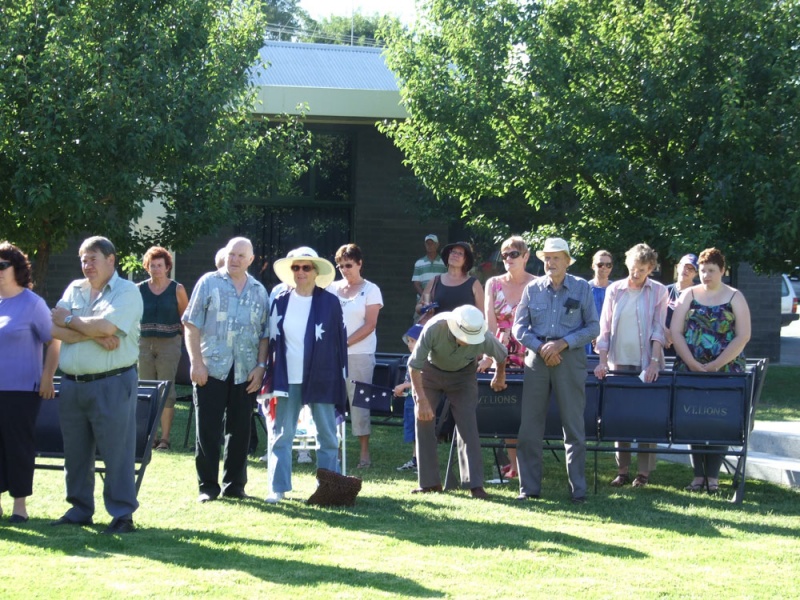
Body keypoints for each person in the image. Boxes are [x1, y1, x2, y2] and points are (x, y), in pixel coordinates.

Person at [50, 236, 143, 534]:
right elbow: (53, 327)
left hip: (112, 382)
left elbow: (106, 326)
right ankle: (79, 509)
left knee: (117, 450)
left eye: (92, 259)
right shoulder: (74, 289)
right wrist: (95, 333)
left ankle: (121, 515)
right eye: (83, 259)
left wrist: (73, 321)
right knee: (75, 452)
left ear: (111, 260)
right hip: (73, 383)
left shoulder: (127, 291)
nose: (86, 265)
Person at [512, 237, 599, 504]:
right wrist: (541, 348)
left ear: (567, 261)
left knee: (573, 427)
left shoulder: (582, 288)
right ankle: (529, 488)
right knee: (529, 427)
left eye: (556, 257)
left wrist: (562, 344)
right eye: (547, 258)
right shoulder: (532, 289)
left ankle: (578, 490)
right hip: (537, 361)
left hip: (570, 360)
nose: (550, 262)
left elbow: (593, 328)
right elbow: (519, 327)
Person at [183, 237, 269, 503]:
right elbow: (191, 324)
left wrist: (261, 366)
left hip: (246, 371)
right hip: (211, 369)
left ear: (251, 260)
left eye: (241, 256)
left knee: (241, 430)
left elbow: (265, 334)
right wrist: (196, 362)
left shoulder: (259, 290)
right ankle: (207, 487)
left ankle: (235, 485)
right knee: (207, 430)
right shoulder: (208, 282)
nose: (235, 260)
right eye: (232, 254)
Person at [263, 247, 348, 504]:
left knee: (327, 435)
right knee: (282, 434)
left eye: (306, 267)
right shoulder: (279, 301)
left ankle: (329, 488)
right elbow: (271, 340)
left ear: (316, 271)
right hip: (286, 377)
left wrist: (338, 376)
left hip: (321, 376)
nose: (300, 272)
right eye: (296, 267)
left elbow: (338, 342)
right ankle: (278, 487)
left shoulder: (330, 303)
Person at [670, 248, 750, 493]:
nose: (706, 275)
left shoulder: (735, 296)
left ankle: (713, 477)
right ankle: (697, 476)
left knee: (719, 419)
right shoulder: (688, 295)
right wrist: (693, 363)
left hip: (726, 371)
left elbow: (743, 335)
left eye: (711, 271)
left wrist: (716, 365)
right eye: (702, 270)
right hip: (690, 368)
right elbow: (676, 332)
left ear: (723, 271)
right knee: (693, 417)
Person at [409, 305, 508, 500]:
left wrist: (499, 375)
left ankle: (475, 485)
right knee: (424, 422)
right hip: (430, 373)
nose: (468, 340)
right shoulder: (435, 327)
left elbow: (502, 355)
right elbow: (414, 366)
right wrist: (421, 400)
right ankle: (429, 484)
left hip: (463, 376)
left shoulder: (484, 337)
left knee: (468, 426)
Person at [593, 243, 669, 488]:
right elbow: (604, 328)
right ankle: (622, 470)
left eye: (643, 269)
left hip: (647, 361)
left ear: (650, 269)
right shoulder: (615, 290)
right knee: (619, 417)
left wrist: (655, 362)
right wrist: (603, 361)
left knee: (647, 418)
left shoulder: (658, 291)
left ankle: (643, 473)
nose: (637, 273)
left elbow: (659, 328)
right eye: (634, 268)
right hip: (618, 361)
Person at [0, 243, 59, 524]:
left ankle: (19, 507)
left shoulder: (32, 303)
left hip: (22, 390)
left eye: (3, 266)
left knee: (18, 445)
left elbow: (54, 340)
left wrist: (47, 376)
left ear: (17, 269)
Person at [480, 236, 536, 478]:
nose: (508, 259)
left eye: (514, 254)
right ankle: (516, 467)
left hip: (532, 353)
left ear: (526, 256)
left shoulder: (538, 284)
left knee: (530, 412)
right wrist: (487, 358)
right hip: (501, 352)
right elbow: (489, 326)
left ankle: (530, 465)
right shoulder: (493, 283)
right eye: (504, 255)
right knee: (507, 411)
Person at [327, 244, 383, 469]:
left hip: (360, 355)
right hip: (332, 357)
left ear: (360, 263)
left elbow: (370, 325)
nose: (345, 270)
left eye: (349, 265)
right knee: (332, 404)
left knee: (360, 405)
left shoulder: (371, 289)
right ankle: (335, 453)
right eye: (340, 266)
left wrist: (343, 343)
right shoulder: (331, 288)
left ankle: (364, 455)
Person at [137, 246, 189, 451]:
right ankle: (150, 436)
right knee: (146, 389)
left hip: (170, 344)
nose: (156, 269)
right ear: (147, 267)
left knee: (167, 389)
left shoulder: (177, 289)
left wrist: (190, 350)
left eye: (160, 265)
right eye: (152, 265)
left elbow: (186, 319)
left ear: (167, 267)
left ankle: (165, 438)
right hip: (143, 344)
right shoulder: (138, 289)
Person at [416, 241, 484, 317]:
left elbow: (481, 315)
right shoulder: (435, 281)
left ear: (466, 261)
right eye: (453, 252)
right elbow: (418, 307)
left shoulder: (474, 284)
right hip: (438, 328)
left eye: (460, 253)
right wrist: (425, 308)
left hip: (464, 328)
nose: (455, 255)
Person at [394, 323, 423, 473]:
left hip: (421, 400)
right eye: (409, 341)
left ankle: (424, 461)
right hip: (410, 399)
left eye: (413, 341)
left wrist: (404, 386)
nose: (409, 345)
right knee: (412, 430)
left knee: (421, 431)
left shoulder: (425, 358)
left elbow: (423, 381)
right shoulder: (411, 357)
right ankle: (415, 460)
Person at [665, 253, 698, 353]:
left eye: (691, 269)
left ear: (696, 274)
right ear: (678, 267)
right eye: (684, 266)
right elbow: (655, 315)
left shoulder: (698, 293)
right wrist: (665, 331)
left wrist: (676, 336)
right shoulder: (665, 291)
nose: (687, 270)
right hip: (664, 344)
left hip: (687, 347)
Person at [586, 250, 614, 354]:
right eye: (600, 264)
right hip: (587, 340)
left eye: (608, 265)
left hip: (611, 339)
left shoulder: (616, 290)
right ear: (593, 266)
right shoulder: (585, 288)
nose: (604, 268)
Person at [411, 234, 447, 300]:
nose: (429, 246)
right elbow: (416, 283)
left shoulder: (444, 263)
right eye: (427, 244)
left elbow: (447, 280)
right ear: (425, 245)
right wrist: (424, 297)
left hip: (440, 299)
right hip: (422, 301)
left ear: (437, 245)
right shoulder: (419, 263)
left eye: (432, 243)